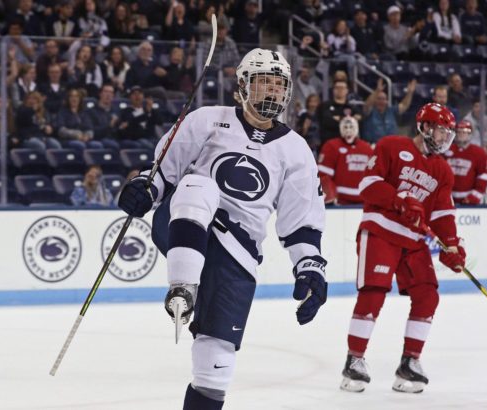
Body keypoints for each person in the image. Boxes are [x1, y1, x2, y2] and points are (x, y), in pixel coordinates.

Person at [117, 48, 328, 409]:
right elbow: (163, 174)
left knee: (215, 366)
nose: (272, 93)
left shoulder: (296, 150)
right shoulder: (206, 120)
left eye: (279, 86)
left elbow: (300, 222)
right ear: (242, 87)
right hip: (185, 221)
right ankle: (182, 287)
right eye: (263, 83)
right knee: (199, 186)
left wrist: (309, 267)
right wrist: (143, 190)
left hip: (238, 251)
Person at [340, 103, 466, 394]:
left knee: (428, 295)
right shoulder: (391, 146)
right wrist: (401, 199)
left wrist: (452, 246)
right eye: (440, 130)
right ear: (423, 127)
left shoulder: (443, 170)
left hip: (413, 241)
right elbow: (368, 185)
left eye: (449, 132)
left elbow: (443, 215)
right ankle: (354, 360)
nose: (446, 137)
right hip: (381, 231)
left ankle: (410, 362)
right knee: (373, 292)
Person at [318, 116, 374, 205]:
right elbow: (324, 176)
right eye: (345, 127)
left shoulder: (367, 149)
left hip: (363, 201)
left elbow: (373, 176)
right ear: (340, 128)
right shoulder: (331, 146)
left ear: (356, 128)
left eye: (351, 127)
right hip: (340, 202)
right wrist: (330, 196)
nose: (348, 130)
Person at [444, 121, 487, 204]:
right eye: (459, 132)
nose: (461, 134)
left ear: (470, 134)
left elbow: (483, 176)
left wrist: (475, 196)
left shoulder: (478, 152)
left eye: (464, 132)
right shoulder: (445, 150)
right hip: (447, 197)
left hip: (469, 198)